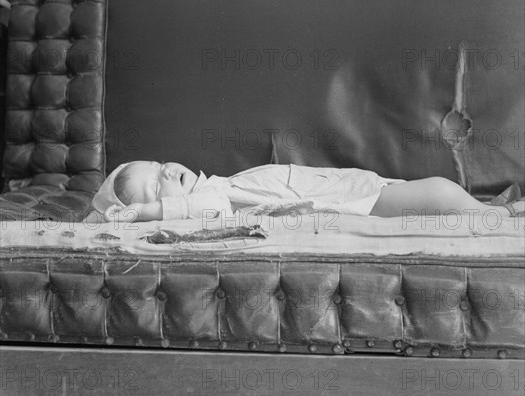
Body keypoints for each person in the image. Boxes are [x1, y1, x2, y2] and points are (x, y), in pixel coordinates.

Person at [92, 160, 524, 222]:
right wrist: (146, 215)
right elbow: (209, 206)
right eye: (156, 185)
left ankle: (492, 213)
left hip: (353, 187)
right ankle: (504, 219)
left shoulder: (221, 183)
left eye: (158, 163)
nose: (167, 169)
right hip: (353, 205)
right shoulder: (210, 203)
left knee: (438, 198)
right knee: (440, 193)